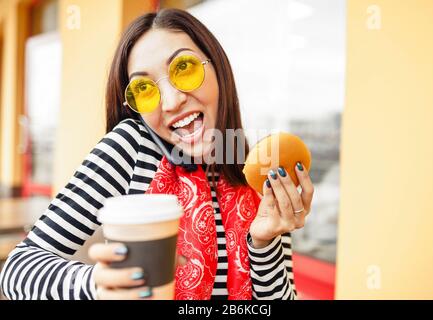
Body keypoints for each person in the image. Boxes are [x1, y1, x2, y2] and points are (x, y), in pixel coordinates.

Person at [0, 8, 314, 300]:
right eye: (145, 89)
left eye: (184, 69)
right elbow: (17, 270)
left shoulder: (254, 164)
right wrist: (96, 284)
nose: (171, 102)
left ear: (217, 68)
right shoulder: (131, 148)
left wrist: (264, 242)